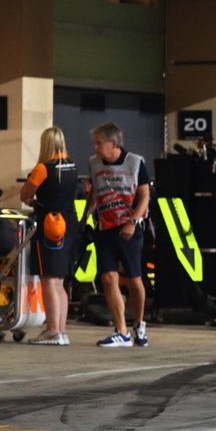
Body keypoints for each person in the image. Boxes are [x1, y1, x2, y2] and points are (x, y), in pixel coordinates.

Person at [88, 121, 150, 348]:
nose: (95, 147)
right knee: (108, 278)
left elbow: (144, 195)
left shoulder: (135, 162)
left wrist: (133, 221)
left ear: (113, 144)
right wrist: (86, 218)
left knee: (134, 280)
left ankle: (140, 323)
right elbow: (94, 192)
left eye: (99, 143)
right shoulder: (94, 164)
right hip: (105, 227)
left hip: (129, 228)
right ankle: (121, 330)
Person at [19, 126, 78, 345]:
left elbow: (25, 194)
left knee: (49, 280)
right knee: (60, 281)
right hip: (70, 224)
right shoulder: (73, 166)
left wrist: (34, 201)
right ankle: (61, 329)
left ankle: (52, 330)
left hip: (50, 226)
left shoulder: (43, 168)